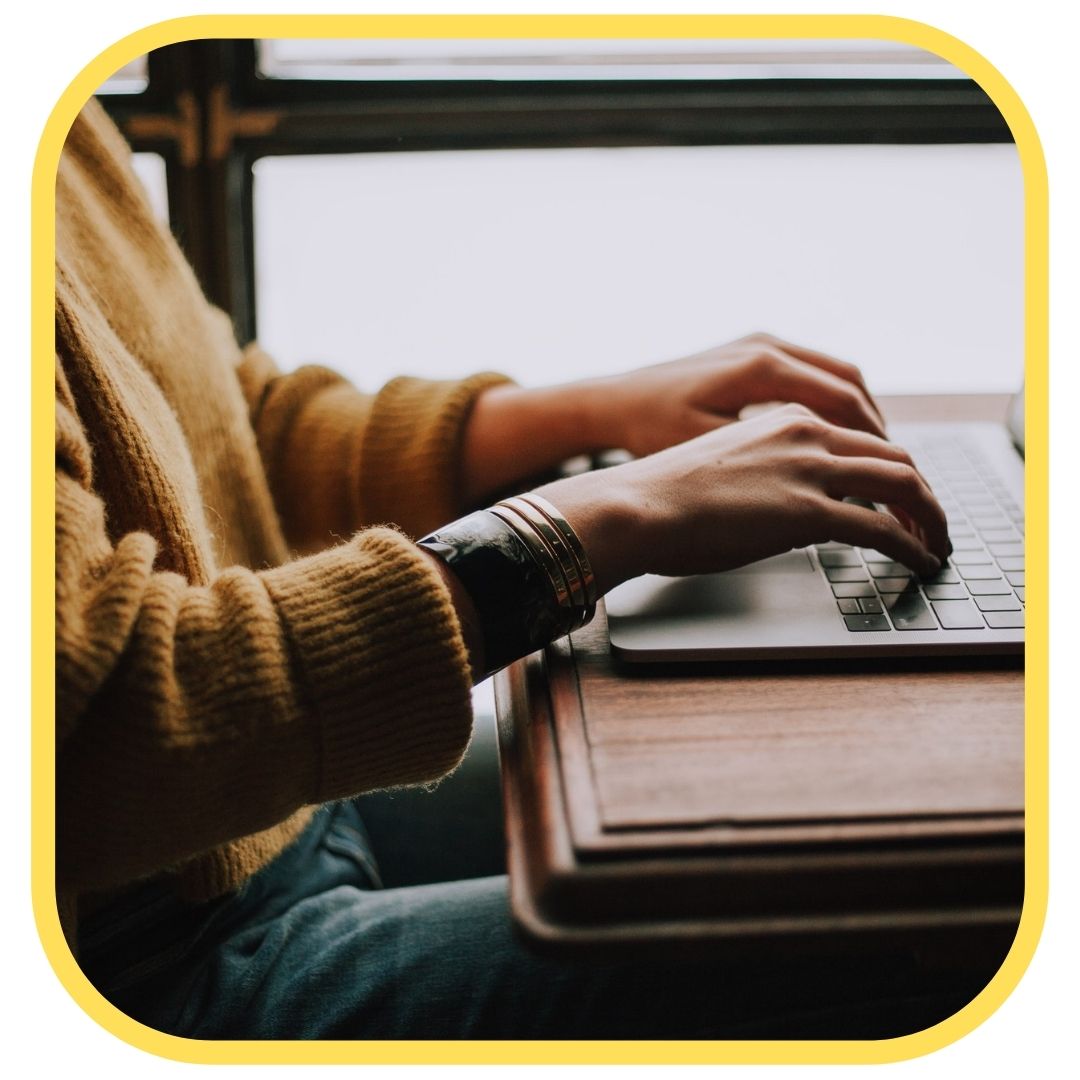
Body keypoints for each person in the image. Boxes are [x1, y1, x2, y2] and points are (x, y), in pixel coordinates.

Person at [57, 99, 967, 1040]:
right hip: (142, 972)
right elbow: (94, 729)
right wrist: (592, 522)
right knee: (906, 924)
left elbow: (232, 428)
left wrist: (596, 412)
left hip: (264, 813)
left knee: (809, 808)